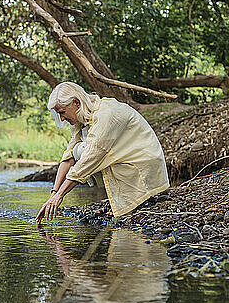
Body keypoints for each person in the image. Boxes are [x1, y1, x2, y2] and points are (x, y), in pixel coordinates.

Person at [36, 82, 169, 223]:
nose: (62, 118)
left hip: (145, 168)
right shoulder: (83, 117)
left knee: (84, 152)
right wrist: (54, 194)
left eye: (62, 112)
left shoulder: (107, 113)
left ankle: (140, 197)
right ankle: (119, 199)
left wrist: (60, 196)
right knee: (77, 150)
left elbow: (91, 158)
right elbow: (68, 157)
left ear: (76, 102)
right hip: (127, 162)